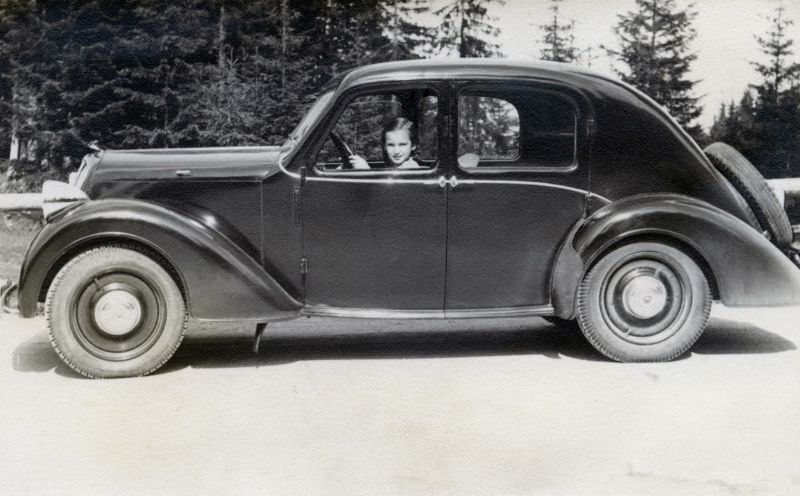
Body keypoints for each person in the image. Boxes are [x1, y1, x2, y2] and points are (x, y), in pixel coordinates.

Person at [349, 117, 421, 170]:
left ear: (413, 145)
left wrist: (366, 170)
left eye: (402, 145)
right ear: (384, 146)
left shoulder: (411, 168)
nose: (396, 151)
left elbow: (388, 189)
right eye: (391, 145)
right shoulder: (393, 166)